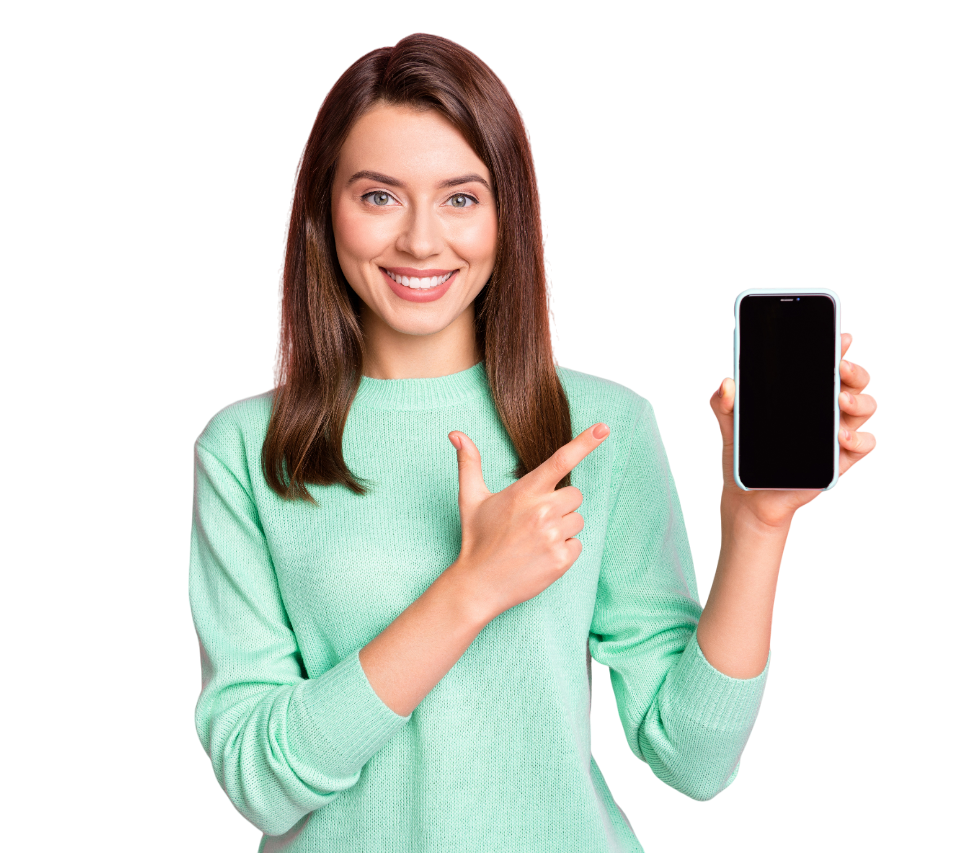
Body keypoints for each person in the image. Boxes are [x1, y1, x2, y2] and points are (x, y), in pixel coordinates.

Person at [188, 32, 878, 853]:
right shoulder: (243, 447)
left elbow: (693, 759)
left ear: (507, 214)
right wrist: (470, 588)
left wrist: (757, 528)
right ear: (321, 210)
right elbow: (258, 781)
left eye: (460, 197)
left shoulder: (602, 424)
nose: (418, 241)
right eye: (378, 196)